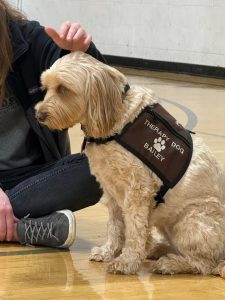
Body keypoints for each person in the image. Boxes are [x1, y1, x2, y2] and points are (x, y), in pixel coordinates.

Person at [0, 0, 104, 248]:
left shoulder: (28, 40)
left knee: (98, 169)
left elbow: (108, 95)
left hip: (33, 180)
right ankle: (23, 230)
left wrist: (83, 54)